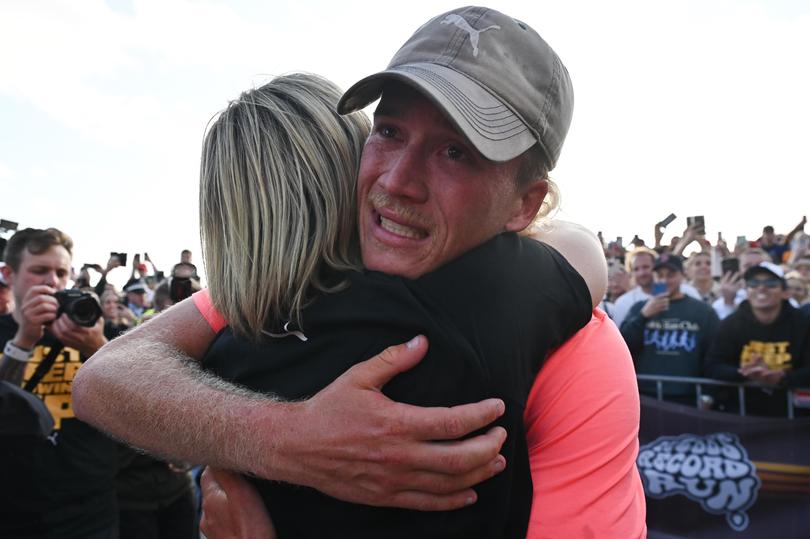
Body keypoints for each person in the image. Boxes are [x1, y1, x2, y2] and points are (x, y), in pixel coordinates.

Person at [74, 6, 644, 536]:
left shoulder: (577, 351)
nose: (397, 180)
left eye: (456, 153)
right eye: (390, 131)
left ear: (525, 203)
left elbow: (109, 376)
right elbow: (106, 377)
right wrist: (287, 438)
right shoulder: (276, 304)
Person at [0, 227, 116, 538]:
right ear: (9, 274)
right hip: (14, 510)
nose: (53, 282)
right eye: (39, 270)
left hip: (91, 509)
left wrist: (98, 347)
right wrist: (23, 341)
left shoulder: (91, 327)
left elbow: (139, 399)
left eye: (61, 272)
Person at [705, 261, 810, 416]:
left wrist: (783, 378)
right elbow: (713, 365)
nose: (761, 288)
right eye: (754, 283)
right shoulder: (731, 324)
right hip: (743, 413)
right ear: (747, 291)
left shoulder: (804, 323)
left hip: (795, 415)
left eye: (771, 283)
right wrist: (743, 373)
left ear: (785, 293)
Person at [620, 254, 719, 404]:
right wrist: (643, 316)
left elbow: (714, 354)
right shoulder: (639, 308)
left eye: (671, 275)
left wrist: (708, 395)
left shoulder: (703, 311)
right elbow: (623, 346)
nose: (665, 280)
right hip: (645, 396)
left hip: (687, 396)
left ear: (682, 276)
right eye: (660, 275)